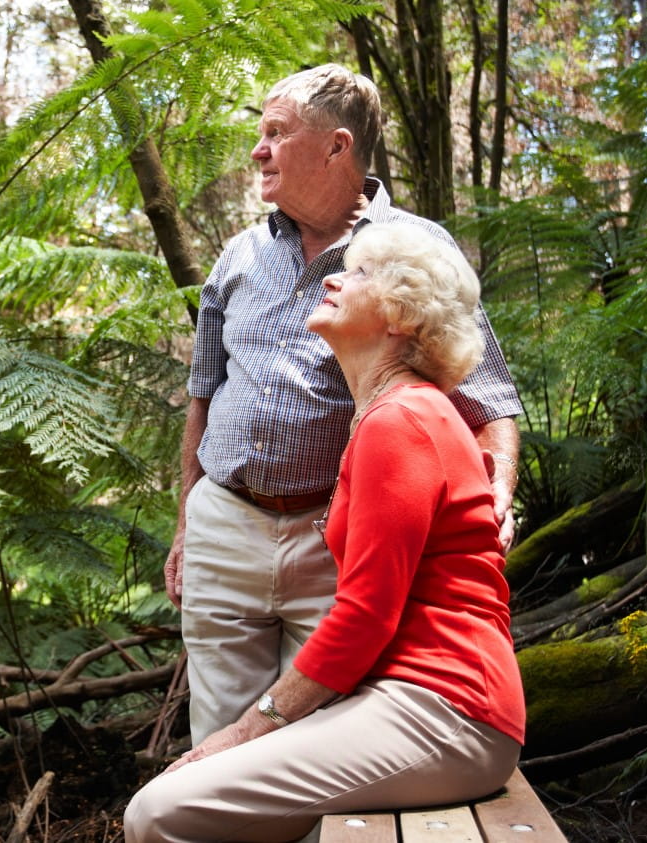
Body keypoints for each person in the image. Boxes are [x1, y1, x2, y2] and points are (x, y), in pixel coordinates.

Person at [125, 221, 526, 841]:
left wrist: (246, 728)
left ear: (400, 313)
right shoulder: (393, 414)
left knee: (157, 813)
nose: (334, 277)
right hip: (419, 701)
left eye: (360, 273)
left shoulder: (400, 423)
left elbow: (364, 616)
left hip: (445, 708)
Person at [168, 63, 523, 745]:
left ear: (337, 146)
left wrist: (497, 493)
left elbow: (490, 399)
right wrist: (188, 522)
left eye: (277, 132)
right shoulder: (239, 255)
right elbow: (203, 395)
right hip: (226, 523)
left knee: (315, 735)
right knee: (218, 740)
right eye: (260, 133)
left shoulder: (415, 251)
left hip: (341, 541)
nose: (258, 149)